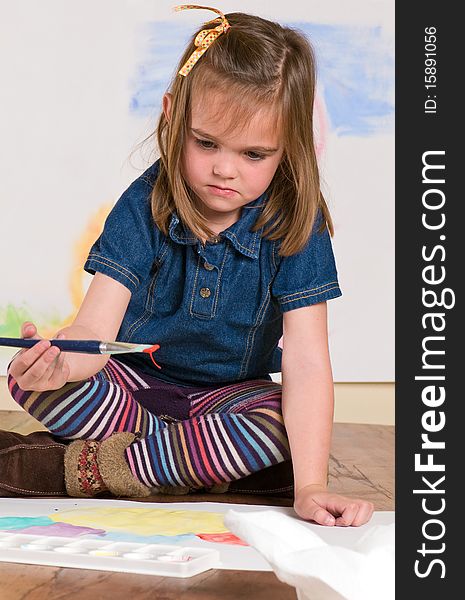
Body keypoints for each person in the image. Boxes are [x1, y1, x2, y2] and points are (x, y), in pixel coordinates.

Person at [3, 5, 374, 527]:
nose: (225, 169)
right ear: (172, 114)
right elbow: (94, 328)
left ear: (288, 146)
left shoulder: (297, 222)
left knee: (276, 424)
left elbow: (308, 362)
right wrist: (61, 363)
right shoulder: (143, 204)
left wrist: (310, 487)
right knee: (31, 383)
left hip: (227, 402)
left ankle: (90, 468)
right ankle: (191, 463)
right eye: (206, 143)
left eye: (254, 154)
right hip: (132, 393)